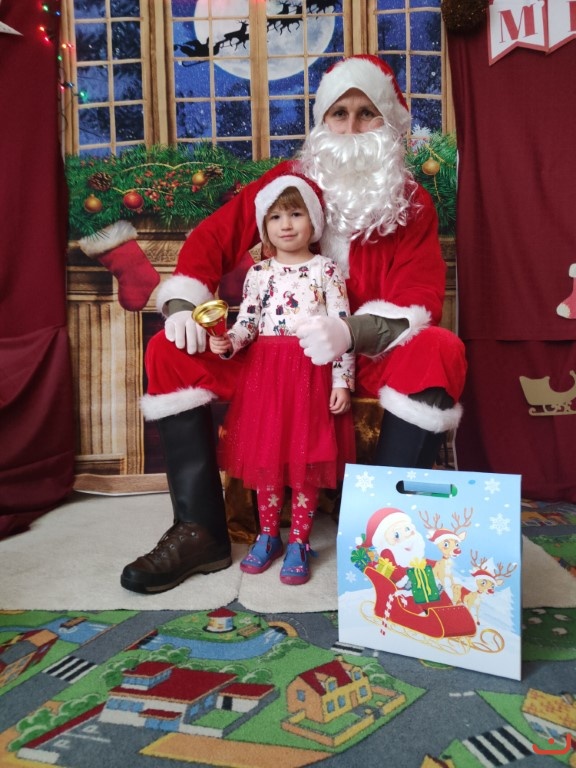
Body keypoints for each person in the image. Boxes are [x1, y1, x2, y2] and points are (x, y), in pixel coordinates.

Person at [120, 54, 467, 595]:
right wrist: (184, 305)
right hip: (269, 357)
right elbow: (212, 238)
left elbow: (419, 298)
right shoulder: (290, 184)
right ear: (321, 122)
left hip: (364, 360)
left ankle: (384, 533)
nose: (351, 128)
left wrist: (351, 332)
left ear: (390, 124)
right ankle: (199, 530)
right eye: (338, 114)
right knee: (168, 350)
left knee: (439, 349)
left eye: (367, 114)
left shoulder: (411, 203)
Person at [209, 174, 355, 585]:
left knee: (306, 461)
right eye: (275, 217)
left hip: (311, 372)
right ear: (264, 226)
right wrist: (230, 341)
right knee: (268, 459)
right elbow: (248, 322)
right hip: (268, 377)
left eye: (295, 214)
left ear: (314, 222)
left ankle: (300, 542)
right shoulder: (259, 273)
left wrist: (341, 380)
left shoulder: (327, 270)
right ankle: (269, 535)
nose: (286, 224)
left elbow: (343, 328)